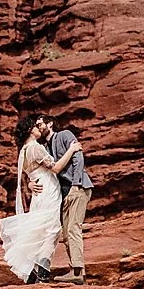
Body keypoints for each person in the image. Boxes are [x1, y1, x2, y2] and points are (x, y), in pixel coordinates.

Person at [0, 119, 63, 282]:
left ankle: (35, 271)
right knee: (52, 228)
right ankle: (42, 271)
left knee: (40, 230)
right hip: (48, 189)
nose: (38, 129)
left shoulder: (24, 151)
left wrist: (30, 182)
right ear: (29, 130)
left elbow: (31, 173)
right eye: (35, 126)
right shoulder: (35, 147)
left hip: (38, 193)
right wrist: (72, 150)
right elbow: (55, 168)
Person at [44, 116, 92, 279]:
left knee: (73, 228)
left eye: (39, 123)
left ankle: (77, 271)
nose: (37, 127)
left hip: (77, 188)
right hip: (63, 194)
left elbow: (78, 158)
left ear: (49, 123)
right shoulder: (44, 147)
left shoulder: (64, 135)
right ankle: (77, 271)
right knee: (66, 233)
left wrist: (76, 184)